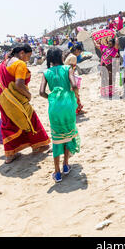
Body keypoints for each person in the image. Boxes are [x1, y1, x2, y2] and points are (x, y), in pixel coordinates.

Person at [0, 44, 51, 164]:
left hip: (2, 99)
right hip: (16, 99)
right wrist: (28, 95)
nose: (27, 59)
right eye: (28, 56)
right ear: (22, 53)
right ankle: (39, 146)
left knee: (8, 123)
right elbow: (19, 84)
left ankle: (9, 155)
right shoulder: (19, 64)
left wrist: (4, 92)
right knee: (31, 118)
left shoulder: (4, 63)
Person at [40, 48, 80, 183]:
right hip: (68, 105)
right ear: (60, 57)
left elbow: (41, 92)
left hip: (54, 107)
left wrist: (51, 98)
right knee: (68, 133)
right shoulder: (68, 68)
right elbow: (74, 85)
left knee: (57, 137)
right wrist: (75, 96)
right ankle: (66, 165)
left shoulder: (46, 73)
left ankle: (57, 172)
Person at [65, 44, 86, 115]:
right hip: (70, 77)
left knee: (72, 94)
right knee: (75, 93)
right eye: (79, 52)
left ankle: (75, 109)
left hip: (66, 76)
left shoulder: (69, 55)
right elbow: (71, 69)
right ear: (77, 50)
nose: (79, 54)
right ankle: (78, 110)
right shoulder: (73, 57)